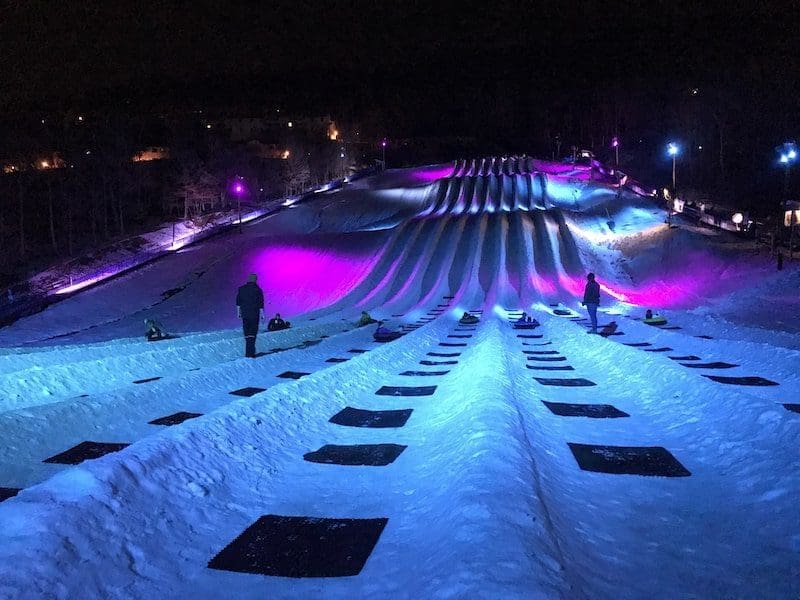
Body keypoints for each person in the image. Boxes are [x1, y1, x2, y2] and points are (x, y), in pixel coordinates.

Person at [236, 273, 265, 358]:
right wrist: (262, 314)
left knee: (247, 333)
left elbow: (238, 303)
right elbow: (261, 303)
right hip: (254, 314)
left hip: (245, 314)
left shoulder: (241, 289)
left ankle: (248, 352)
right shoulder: (258, 290)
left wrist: (238, 313)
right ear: (255, 280)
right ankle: (250, 353)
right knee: (253, 333)